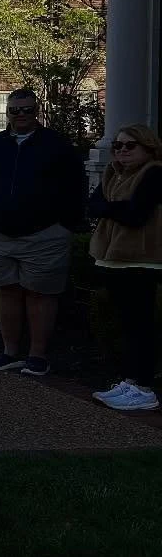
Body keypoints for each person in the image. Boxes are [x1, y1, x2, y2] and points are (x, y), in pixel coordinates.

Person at [0, 88, 86, 378]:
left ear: (38, 111)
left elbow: (76, 186)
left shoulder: (57, 145)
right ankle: (9, 352)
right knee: (5, 290)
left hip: (45, 234)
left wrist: (66, 224)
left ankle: (37, 356)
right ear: (7, 112)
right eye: (15, 110)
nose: (21, 115)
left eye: (28, 109)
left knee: (40, 293)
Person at [88, 124, 162, 412]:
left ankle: (144, 388)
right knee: (127, 324)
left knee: (141, 324)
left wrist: (110, 207)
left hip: (141, 259)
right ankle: (131, 380)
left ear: (147, 147)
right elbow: (93, 206)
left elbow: (136, 215)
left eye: (129, 146)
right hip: (112, 257)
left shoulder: (154, 173)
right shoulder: (112, 173)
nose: (121, 151)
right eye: (117, 146)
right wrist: (114, 207)